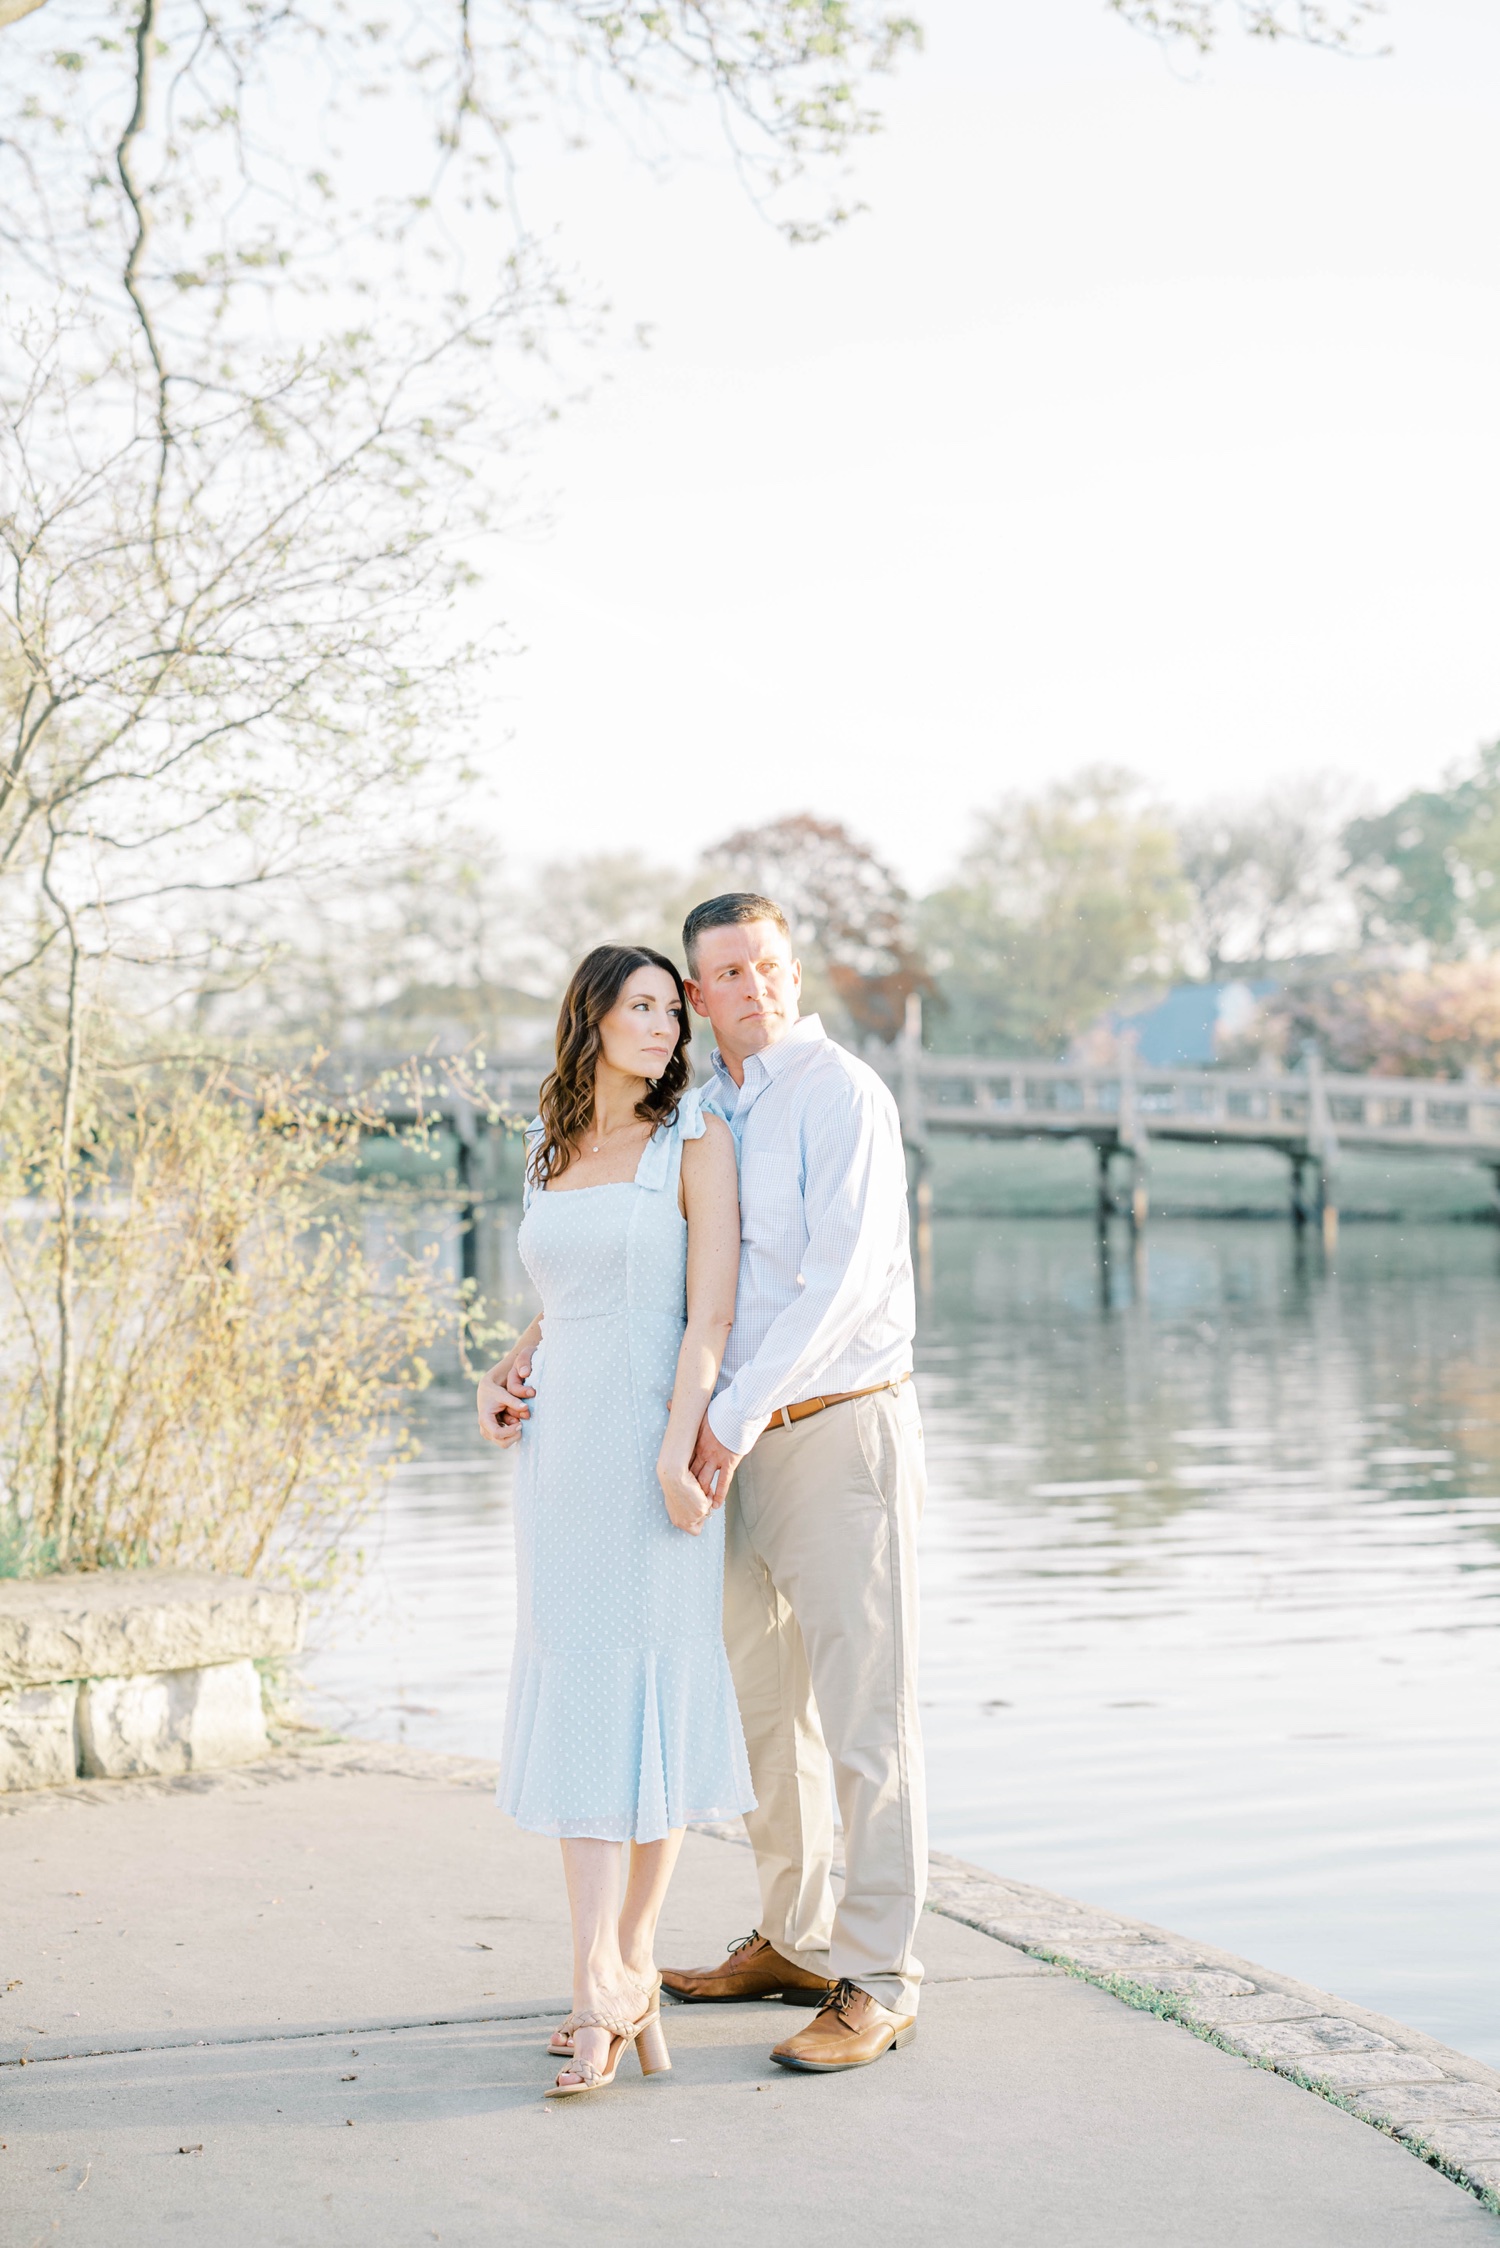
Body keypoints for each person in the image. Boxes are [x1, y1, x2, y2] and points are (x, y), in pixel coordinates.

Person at [488, 894, 927, 2074]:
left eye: (768, 966)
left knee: (864, 1716)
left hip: (828, 1429)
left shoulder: (840, 1096)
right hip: (716, 1445)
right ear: (694, 993)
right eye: (724, 973)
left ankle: (879, 1976)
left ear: (793, 973)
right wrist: (532, 1350)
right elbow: (643, 1265)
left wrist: (715, 1428)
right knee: (759, 1706)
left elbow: (833, 1286)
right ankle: (790, 1934)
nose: (753, 988)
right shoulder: (709, 1103)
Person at [476, 943, 753, 2099]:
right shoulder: (550, 1148)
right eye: (639, 1007)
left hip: (651, 1452)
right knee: (586, 1692)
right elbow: (560, 1300)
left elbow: (712, 1311)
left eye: (668, 1012)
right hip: (560, 1463)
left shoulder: (694, 1137)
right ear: (591, 1016)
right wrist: (509, 1365)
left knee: (651, 1695)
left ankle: (616, 1966)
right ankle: (605, 1971)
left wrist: (676, 1444)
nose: (662, 1027)